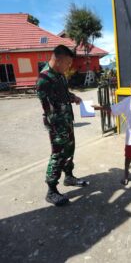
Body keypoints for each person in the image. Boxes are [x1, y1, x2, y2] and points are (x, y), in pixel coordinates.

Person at [37, 45, 89, 206]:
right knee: (58, 155)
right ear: (57, 60)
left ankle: (69, 177)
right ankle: (51, 190)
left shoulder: (59, 76)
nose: (69, 67)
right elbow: (50, 107)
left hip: (67, 122)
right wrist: (60, 130)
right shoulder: (44, 79)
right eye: (67, 63)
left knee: (70, 150)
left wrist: (73, 97)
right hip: (57, 126)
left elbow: (64, 94)